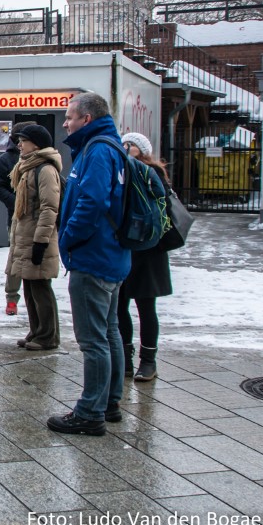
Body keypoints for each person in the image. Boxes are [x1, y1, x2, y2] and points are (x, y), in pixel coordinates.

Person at [47, 92, 129, 437]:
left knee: (94, 339)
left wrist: (68, 238)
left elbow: (92, 201)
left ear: (88, 118)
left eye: (70, 117)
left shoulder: (97, 151)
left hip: (93, 257)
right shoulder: (110, 146)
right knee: (109, 332)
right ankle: (109, 402)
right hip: (110, 256)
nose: (65, 123)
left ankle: (90, 412)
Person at [118, 132, 172, 382]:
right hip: (126, 247)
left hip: (149, 250)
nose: (126, 148)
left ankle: (148, 361)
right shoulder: (120, 171)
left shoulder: (153, 173)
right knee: (119, 306)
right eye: (124, 144)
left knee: (145, 306)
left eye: (131, 145)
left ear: (143, 150)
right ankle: (125, 359)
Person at [6, 125, 62, 351]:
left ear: (36, 144)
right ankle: (36, 330)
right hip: (25, 235)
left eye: (23, 140)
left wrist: (41, 241)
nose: (19, 144)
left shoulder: (45, 169)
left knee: (40, 287)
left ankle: (48, 336)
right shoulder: (27, 167)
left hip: (37, 237)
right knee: (29, 285)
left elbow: (49, 207)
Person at [0, 121, 32, 315]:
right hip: (16, 217)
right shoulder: (6, 160)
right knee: (16, 259)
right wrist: (17, 202)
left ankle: (35, 299)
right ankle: (12, 298)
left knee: (38, 260)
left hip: (40, 219)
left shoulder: (44, 159)